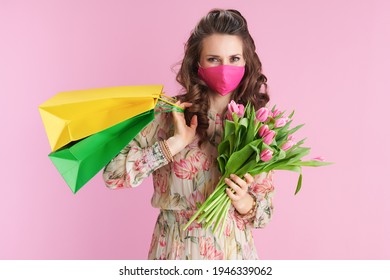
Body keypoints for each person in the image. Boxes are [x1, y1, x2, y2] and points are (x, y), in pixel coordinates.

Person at [103, 8, 275, 260]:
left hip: (235, 254)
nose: (225, 67)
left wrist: (244, 202)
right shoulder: (168, 114)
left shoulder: (257, 125)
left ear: (247, 62)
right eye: (214, 59)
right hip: (174, 250)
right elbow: (112, 175)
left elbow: (265, 213)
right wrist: (172, 145)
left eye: (234, 58)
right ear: (198, 63)